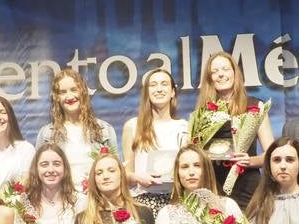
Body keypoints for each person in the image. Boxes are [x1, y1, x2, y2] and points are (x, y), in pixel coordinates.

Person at [192, 51, 274, 207]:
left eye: (225, 69)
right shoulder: (202, 113)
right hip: (213, 186)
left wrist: (249, 161)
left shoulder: (255, 106)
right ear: (210, 79)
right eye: (215, 72)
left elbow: (270, 154)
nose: (220, 75)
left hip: (247, 186)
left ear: (235, 73)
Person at [35, 68, 117, 190]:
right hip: (62, 197)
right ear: (57, 98)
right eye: (63, 92)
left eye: (74, 90)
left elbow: (115, 170)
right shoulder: (46, 134)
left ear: (83, 92)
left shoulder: (104, 129)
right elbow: (38, 173)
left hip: (97, 197)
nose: (69, 96)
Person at [122, 67, 188, 213]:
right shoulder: (133, 126)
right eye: (153, 85)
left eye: (164, 84)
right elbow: (125, 174)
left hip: (176, 201)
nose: (159, 89)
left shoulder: (184, 127)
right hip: (143, 202)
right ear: (147, 93)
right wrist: (138, 177)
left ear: (172, 92)